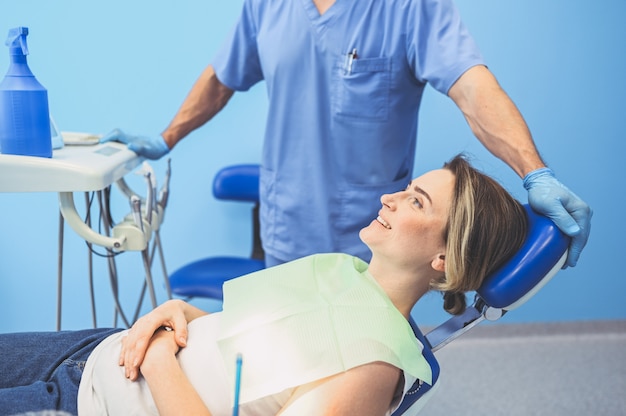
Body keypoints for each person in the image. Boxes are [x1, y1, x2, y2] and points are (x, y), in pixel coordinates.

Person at [1, 155, 528, 415]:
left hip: (89, 403)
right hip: (96, 351)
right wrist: (178, 311)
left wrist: (161, 356)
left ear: (444, 258)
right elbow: (240, 345)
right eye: (407, 189)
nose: (391, 198)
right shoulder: (344, 272)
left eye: (417, 202)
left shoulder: (373, 366)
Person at [101, 0, 591, 268]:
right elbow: (222, 75)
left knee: (358, 376)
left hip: (374, 237)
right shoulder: (266, 6)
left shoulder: (410, 8)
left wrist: (534, 171)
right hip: (285, 225)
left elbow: (472, 86)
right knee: (286, 366)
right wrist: (168, 137)